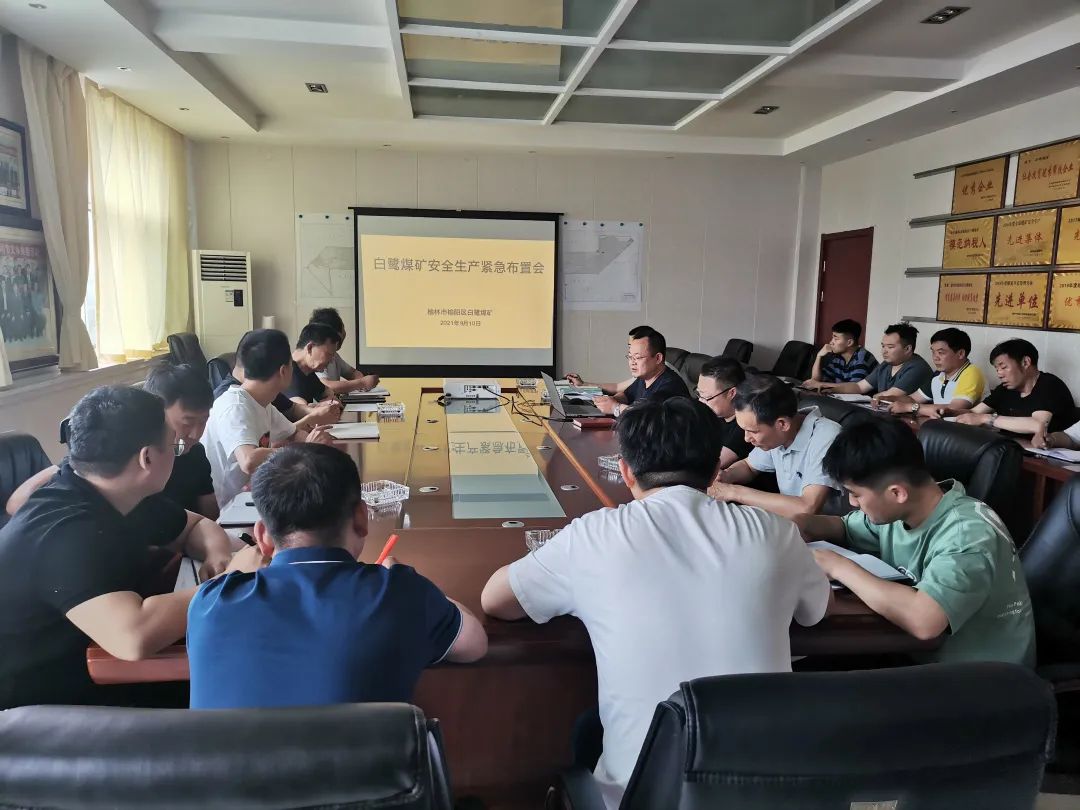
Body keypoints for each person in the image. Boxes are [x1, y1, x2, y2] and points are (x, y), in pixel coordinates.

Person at [481, 398, 830, 808]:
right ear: (715, 471)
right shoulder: (776, 533)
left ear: (626, 471)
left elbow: (496, 600)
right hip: (768, 797)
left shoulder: (595, 535)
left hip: (643, 799)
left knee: (587, 730)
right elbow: (814, 611)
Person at [0, 386, 257, 709]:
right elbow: (133, 637)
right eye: (174, 446)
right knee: (242, 680)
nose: (178, 453)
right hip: (38, 705)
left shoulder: (114, 493)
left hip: (94, 662)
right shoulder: (65, 531)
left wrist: (217, 556)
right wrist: (229, 580)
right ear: (147, 458)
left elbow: (195, 526)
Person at [188, 444, 487, 709]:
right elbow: (474, 644)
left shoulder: (209, 604)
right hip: (369, 759)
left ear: (262, 536)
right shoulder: (398, 593)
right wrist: (412, 586)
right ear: (361, 518)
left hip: (232, 760)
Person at [796, 418, 1035, 665]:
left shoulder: (968, 534)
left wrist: (837, 566)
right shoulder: (905, 510)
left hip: (982, 674)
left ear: (897, 493)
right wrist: (799, 525)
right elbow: (845, 527)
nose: (852, 503)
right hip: (915, 650)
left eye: (856, 494)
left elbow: (925, 622)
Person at [7, 362, 220, 520]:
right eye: (187, 422)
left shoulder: (194, 453)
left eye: (204, 421)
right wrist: (70, 466)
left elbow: (209, 514)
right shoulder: (118, 458)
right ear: (155, 412)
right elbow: (17, 504)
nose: (196, 434)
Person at [202, 328, 333, 508]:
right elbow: (248, 460)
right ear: (283, 371)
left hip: (251, 497)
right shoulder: (234, 405)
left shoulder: (263, 402)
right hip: (228, 509)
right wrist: (302, 449)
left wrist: (314, 440)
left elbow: (294, 434)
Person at [711, 375, 843, 519]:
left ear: (783, 424)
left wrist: (733, 492)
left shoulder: (827, 436)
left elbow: (808, 507)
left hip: (825, 529)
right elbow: (749, 466)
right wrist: (726, 475)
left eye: (752, 431)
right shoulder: (778, 436)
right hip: (790, 521)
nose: (746, 438)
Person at [956, 338, 1076, 437]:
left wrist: (987, 419)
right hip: (1011, 448)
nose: (999, 374)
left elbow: (1037, 425)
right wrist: (949, 411)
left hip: (1048, 454)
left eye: (1003, 367)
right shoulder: (1005, 388)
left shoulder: (1050, 385)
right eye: (997, 369)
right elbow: (974, 413)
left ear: (1025, 362)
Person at [590, 327, 690, 416]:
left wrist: (615, 408)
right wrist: (611, 400)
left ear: (658, 358)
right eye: (630, 357)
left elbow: (647, 416)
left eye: (638, 357)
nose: (632, 362)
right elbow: (627, 395)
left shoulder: (670, 386)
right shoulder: (645, 377)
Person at [888, 328, 986, 417]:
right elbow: (913, 399)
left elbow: (954, 409)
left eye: (940, 353)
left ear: (960, 354)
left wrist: (909, 407)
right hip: (940, 427)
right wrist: (886, 399)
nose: (935, 357)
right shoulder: (938, 375)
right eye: (933, 352)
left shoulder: (972, 373)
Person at [820, 323, 933, 399]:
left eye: (890, 347)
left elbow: (891, 396)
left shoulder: (917, 367)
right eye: (883, 346)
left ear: (907, 349)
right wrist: (833, 390)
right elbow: (859, 387)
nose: (884, 351)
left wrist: (872, 397)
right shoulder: (886, 364)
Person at [564, 324, 654, 397]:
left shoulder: (654, 375)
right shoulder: (641, 373)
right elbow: (617, 387)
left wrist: (616, 407)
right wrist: (583, 384)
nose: (631, 351)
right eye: (629, 346)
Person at [309, 307, 380, 395]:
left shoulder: (335, 356)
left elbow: (353, 373)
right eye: (342, 328)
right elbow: (326, 386)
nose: (345, 333)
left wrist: (362, 382)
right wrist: (362, 383)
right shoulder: (317, 357)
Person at [695, 356, 751, 468]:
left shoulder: (745, 426)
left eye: (707, 397)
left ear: (732, 393)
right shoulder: (713, 413)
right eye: (699, 394)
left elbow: (708, 466)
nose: (701, 401)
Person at [804, 319, 877, 386]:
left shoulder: (862, 357)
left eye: (836, 338)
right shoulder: (839, 357)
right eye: (832, 338)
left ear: (849, 342)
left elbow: (854, 388)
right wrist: (819, 356)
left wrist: (819, 384)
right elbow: (816, 381)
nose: (831, 342)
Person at [286, 322, 342, 406]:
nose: (331, 361)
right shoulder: (287, 373)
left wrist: (328, 402)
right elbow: (300, 408)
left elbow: (329, 395)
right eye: (329, 354)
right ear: (310, 348)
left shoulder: (308, 372)